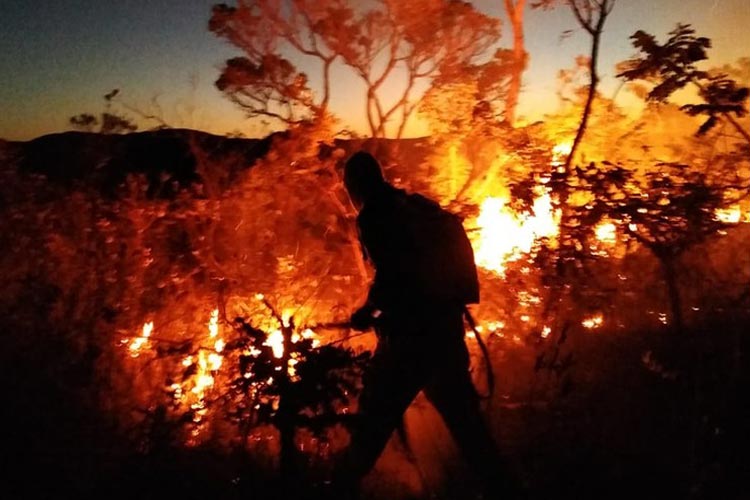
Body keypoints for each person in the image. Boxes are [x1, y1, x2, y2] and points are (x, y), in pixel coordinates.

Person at [332, 151, 518, 499]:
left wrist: (367, 311)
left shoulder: (374, 215)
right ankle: (506, 490)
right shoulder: (412, 206)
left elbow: (393, 276)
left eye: (349, 190)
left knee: (371, 427)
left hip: (408, 345)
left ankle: (333, 490)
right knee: (470, 432)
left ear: (354, 186)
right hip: (445, 336)